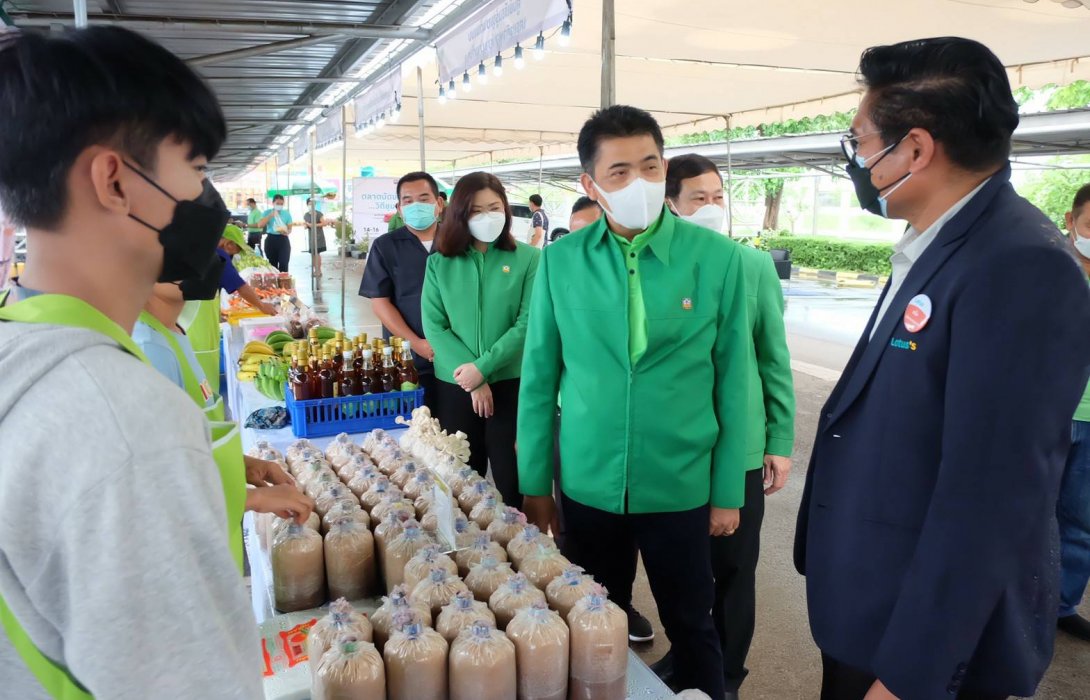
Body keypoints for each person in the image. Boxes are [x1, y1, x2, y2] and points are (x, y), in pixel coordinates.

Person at [794, 37, 1090, 700]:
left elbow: (991, 498)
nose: (857, 159)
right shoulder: (940, 242)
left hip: (919, 641)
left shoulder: (1019, 266)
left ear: (917, 149)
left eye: (860, 141)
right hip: (876, 601)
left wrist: (910, 676)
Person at [0, 25, 262, 697]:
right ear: (114, 180)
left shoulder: (21, 350)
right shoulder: (123, 420)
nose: (207, 199)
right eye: (197, 169)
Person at [518, 104, 753, 699]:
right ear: (590, 184)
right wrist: (535, 486)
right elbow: (539, 378)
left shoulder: (718, 259)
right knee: (595, 618)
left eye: (650, 166)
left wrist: (728, 490)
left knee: (692, 621)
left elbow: (735, 383)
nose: (639, 182)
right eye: (619, 172)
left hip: (680, 480)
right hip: (589, 480)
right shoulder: (560, 262)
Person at [651, 153, 795, 697]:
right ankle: (687, 654)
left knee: (732, 569)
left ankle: (727, 673)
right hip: (678, 447)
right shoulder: (657, 266)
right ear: (671, 204)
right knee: (681, 567)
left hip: (739, 445)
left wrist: (779, 438)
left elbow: (772, 357)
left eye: (718, 197)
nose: (711, 206)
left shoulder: (751, 265)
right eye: (699, 198)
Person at [132, 277, 314, 523]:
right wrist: (253, 499)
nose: (208, 264)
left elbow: (184, 443)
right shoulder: (149, 348)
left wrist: (243, 465)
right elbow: (155, 484)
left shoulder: (171, 333)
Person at [421, 173, 539, 508]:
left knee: (511, 479)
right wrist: (472, 377)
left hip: (510, 383)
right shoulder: (439, 263)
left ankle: (518, 539)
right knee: (461, 481)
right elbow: (435, 326)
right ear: (460, 214)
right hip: (456, 385)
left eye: (494, 207)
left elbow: (528, 322)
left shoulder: (529, 258)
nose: (488, 217)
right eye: (476, 210)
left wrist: (483, 368)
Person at [360, 172, 444, 405]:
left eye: (424, 199)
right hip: (407, 359)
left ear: (439, 203)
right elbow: (380, 302)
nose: (416, 205)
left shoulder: (458, 242)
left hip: (457, 357)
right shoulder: (385, 246)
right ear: (399, 208)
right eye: (408, 201)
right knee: (413, 419)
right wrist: (416, 343)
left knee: (454, 422)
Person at [1058, 182, 1090, 643]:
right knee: (1024, 514)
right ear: (1071, 220)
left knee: (1081, 524)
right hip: (1048, 411)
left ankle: (1061, 605)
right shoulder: (1045, 268)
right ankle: (1006, 608)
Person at [258, 193, 293, 272]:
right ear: (273, 203)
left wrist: (287, 232)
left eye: (281, 204)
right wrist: (271, 215)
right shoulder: (267, 212)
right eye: (277, 203)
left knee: (284, 263)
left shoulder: (286, 213)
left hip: (283, 239)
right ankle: (274, 279)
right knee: (273, 265)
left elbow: (290, 228)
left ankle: (283, 279)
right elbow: (260, 225)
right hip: (271, 239)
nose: (279, 205)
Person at [303, 196, 327, 277]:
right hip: (311, 237)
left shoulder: (319, 214)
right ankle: (314, 270)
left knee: (317, 253)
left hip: (318, 236)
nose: (311, 206)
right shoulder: (306, 215)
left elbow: (324, 223)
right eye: (309, 204)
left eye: (312, 204)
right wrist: (306, 225)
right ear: (307, 205)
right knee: (312, 254)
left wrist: (313, 225)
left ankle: (318, 270)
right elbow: (306, 225)